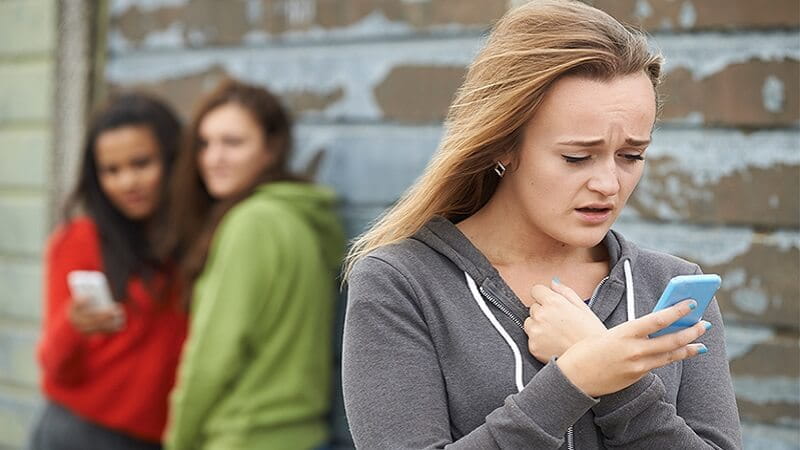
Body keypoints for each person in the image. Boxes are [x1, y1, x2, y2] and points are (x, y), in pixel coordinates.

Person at [342, 1, 742, 449]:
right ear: (502, 145)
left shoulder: (674, 290)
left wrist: (621, 386)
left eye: (632, 155)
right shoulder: (401, 283)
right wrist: (575, 379)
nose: (609, 183)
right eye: (576, 157)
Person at [162, 79, 345, 450]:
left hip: (247, 436)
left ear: (271, 149)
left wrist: (178, 440)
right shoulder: (301, 217)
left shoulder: (251, 223)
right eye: (205, 143)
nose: (213, 158)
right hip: (305, 436)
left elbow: (212, 357)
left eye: (233, 142)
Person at [31, 94, 187, 450]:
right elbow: (53, 364)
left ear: (174, 158)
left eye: (141, 163)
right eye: (111, 171)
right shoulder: (78, 240)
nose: (127, 182)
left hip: (163, 438)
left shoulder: (194, 239)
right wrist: (73, 325)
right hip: (79, 431)